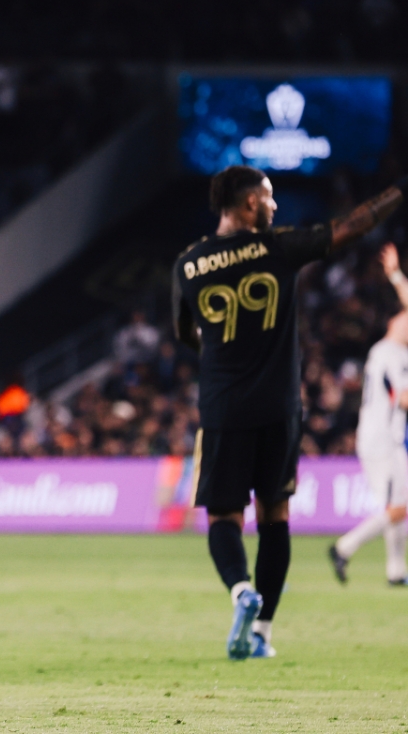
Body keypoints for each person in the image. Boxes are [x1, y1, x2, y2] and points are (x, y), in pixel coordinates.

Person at [173, 165, 406, 660]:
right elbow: (355, 225)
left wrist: (220, 354)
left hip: (223, 407)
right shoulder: (277, 248)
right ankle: (262, 632)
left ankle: (241, 590)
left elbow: (185, 332)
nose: (275, 205)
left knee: (223, 516)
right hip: (278, 408)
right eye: (269, 196)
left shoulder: (188, 264)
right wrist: (400, 190)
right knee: (274, 516)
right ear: (249, 203)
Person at [330, 245, 408, 586]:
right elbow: (404, 399)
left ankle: (396, 571)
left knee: (398, 503)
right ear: (393, 322)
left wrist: (396, 275)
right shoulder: (392, 354)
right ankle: (344, 547)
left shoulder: (387, 353)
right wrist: (395, 276)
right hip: (383, 439)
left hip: (381, 437)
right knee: (398, 507)